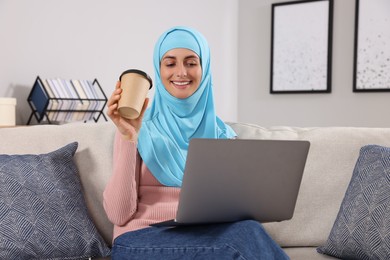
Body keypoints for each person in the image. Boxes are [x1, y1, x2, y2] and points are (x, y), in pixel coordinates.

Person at [103, 26, 289, 260]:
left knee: (249, 230)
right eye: (170, 64)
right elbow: (118, 214)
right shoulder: (135, 126)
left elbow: (230, 209)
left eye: (191, 63)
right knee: (236, 245)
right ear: (158, 70)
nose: (181, 73)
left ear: (205, 68)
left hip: (202, 235)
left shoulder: (223, 135)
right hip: (140, 239)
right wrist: (129, 138)